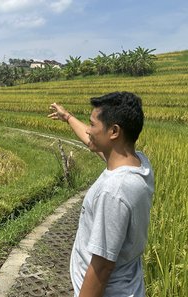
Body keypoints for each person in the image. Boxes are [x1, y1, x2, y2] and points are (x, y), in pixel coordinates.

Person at [48, 91, 154, 297]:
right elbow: (93, 145)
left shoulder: (114, 191)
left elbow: (102, 267)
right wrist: (67, 117)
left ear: (113, 131)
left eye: (93, 125)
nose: (88, 131)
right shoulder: (139, 163)